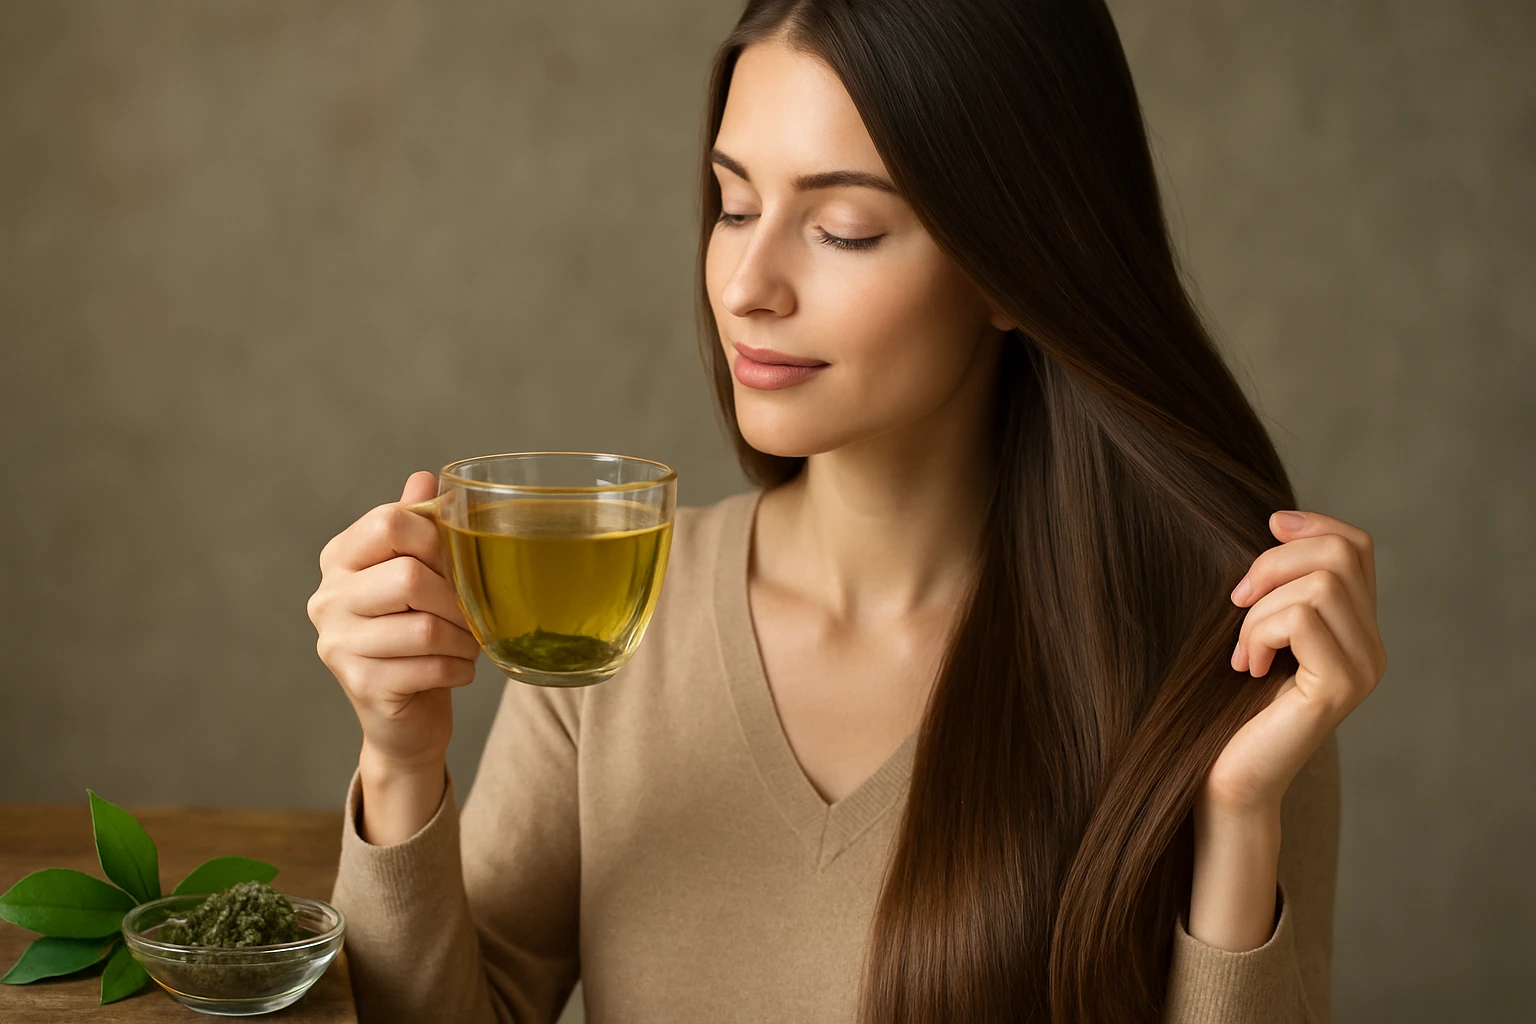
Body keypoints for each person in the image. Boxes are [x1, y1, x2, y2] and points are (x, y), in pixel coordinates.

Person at [305, 2, 1386, 1021]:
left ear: (1019, 269)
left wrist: (1239, 817)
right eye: (734, 206)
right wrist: (399, 761)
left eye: (847, 229)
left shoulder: (1220, 659)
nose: (746, 284)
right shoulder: (617, 612)